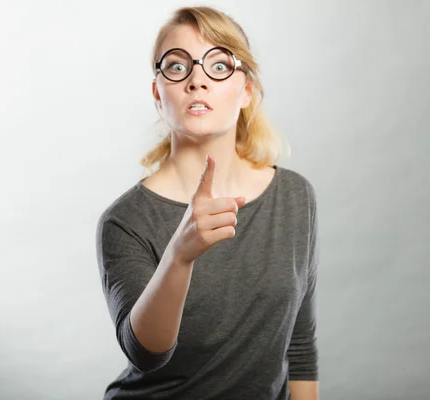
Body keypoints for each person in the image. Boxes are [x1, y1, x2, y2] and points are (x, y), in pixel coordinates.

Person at [95, 6, 320, 400]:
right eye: (178, 67)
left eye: (218, 65)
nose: (197, 80)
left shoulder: (295, 197)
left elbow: (298, 346)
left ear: (246, 89)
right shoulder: (125, 220)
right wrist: (179, 257)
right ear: (157, 93)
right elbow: (144, 353)